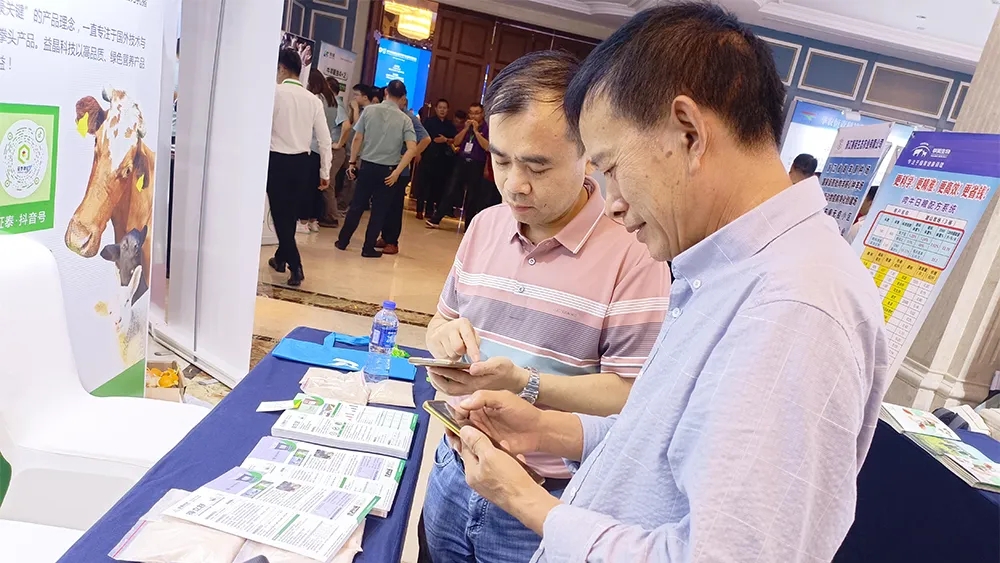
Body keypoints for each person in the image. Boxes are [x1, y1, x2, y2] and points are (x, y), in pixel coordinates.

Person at [449, 4, 889, 562]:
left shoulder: (796, 306)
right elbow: (659, 447)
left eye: (610, 167)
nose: (611, 203)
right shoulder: (728, 269)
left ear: (689, 133)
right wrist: (547, 430)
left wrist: (525, 501)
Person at [419, 50, 671, 563]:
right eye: (501, 160)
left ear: (588, 155)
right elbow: (441, 319)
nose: (515, 184)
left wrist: (524, 383)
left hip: (545, 501)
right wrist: (443, 337)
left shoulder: (635, 252)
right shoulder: (485, 225)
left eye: (537, 165)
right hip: (454, 468)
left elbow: (632, 395)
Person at [266, 48, 332, 286]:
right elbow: (325, 140)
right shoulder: (313, 100)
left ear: (282, 68)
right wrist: (325, 171)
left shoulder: (275, 93)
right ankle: (280, 258)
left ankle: (295, 265)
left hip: (277, 161)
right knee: (290, 215)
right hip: (303, 164)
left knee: (280, 215)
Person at [336, 79, 418, 258]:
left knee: (357, 206)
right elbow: (412, 149)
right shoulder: (405, 119)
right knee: (379, 210)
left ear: (386, 92)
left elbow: (358, 138)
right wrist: (397, 172)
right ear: (403, 97)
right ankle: (368, 248)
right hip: (388, 170)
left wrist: (352, 162)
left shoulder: (369, 111)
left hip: (367, 166)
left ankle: (343, 241)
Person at [376, 95, 431, 255]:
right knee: (385, 204)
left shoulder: (409, 118)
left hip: (401, 170)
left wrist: (411, 155)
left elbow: (426, 139)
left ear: (403, 101)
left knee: (394, 206)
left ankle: (392, 241)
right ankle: (385, 236)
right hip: (387, 165)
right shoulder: (389, 115)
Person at [425, 103, 490, 229]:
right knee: (451, 189)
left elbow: (486, 146)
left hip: (477, 163)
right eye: (471, 113)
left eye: (476, 113)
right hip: (462, 161)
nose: (473, 116)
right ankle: (436, 219)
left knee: (472, 195)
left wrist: (476, 132)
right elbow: (456, 141)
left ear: (482, 114)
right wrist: (466, 129)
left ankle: (469, 226)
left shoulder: (486, 128)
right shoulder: (466, 126)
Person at [298, 69, 339, 232]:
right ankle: (313, 221)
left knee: (306, 188)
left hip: (311, 146)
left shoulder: (314, 99)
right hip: (323, 148)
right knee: (317, 189)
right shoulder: (332, 101)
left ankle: (303, 221)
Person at [417, 99, 458, 220]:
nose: (442, 110)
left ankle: (430, 210)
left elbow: (453, 139)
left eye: (444, 108)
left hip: (442, 159)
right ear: (436, 109)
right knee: (423, 184)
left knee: (436, 186)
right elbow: (425, 138)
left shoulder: (450, 125)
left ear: (448, 110)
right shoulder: (429, 122)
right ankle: (419, 209)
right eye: (440, 107)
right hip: (428, 156)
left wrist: (446, 140)